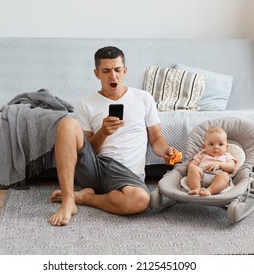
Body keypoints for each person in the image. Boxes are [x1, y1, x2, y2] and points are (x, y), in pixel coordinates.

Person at [48, 46, 178, 226]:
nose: (113, 76)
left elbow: (156, 138)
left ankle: (85, 198)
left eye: (117, 70)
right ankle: (68, 200)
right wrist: (103, 132)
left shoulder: (143, 98)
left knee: (140, 200)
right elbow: (85, 151)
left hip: (126, 175)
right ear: (96, 73)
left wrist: (166, 150)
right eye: (106, 71)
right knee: (67, 123)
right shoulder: (86, 103)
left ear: (125, 71)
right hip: (96, 168)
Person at [183, 126, 237, 196]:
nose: (216, 147)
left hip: (217, 177)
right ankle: (196, 188)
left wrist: (220, 164)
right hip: (201, 176)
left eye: (220, 144)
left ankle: (209, 191)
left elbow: (231, 167)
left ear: (226, 147)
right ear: (204, 146)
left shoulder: (227, 156)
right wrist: (192, 170)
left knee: (225, 176)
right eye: (211, 144)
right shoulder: (202, 154)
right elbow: (192, 164)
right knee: (192, 168)